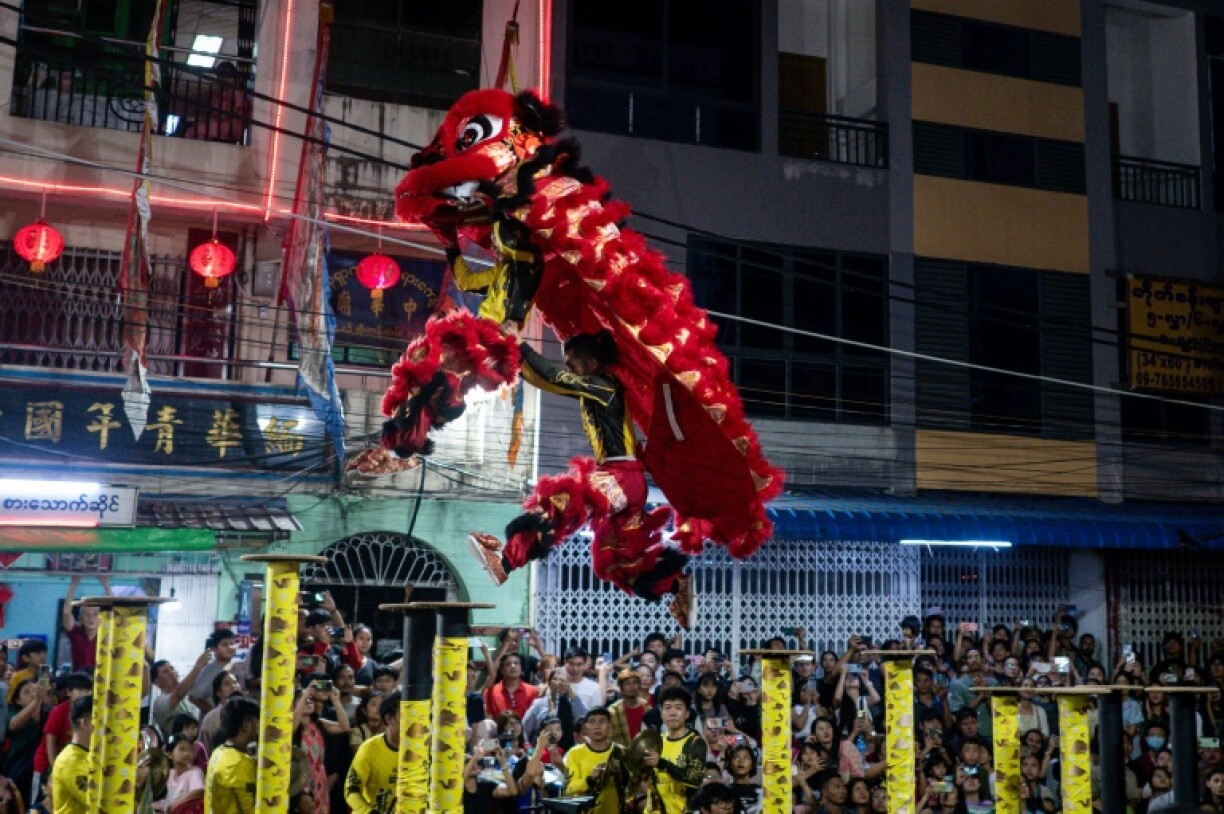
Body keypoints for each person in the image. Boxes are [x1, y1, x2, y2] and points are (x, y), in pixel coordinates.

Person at [469, 331, 693, 627]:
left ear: (592, 361)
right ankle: (676, 585)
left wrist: (517, 346)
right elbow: (550, 378)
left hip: (623, 479)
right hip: (625, 482)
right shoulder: (601, 385)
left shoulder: (604, 385)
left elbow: (554, 378)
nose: (569, 367)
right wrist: (516, 357)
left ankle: (507, 562)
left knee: (562, 503)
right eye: (568, 362)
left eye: (572, 362)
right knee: (614, 558)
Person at [642, 686, 706, 814]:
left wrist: (662, 763)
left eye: (678, 708)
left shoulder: (695, 742)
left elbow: (695, 779)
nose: (672, 713)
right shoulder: (656, 742)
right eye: (667, 707)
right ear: (661, 713)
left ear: (687, 713)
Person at [344, 693, 401, 814]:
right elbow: (351, 790)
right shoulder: (369, 749)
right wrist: (368, 812)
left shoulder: (424, 749)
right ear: (388, 719)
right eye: (406, 716)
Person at [33, 672, 92, 786]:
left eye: (88, 691)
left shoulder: (88, 712)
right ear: (69, 692)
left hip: (69, 763)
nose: (85, 694)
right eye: (80, 690)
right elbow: (50, 741)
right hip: (46, 763)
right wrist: (53, 768)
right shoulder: (59, 711)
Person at [204, 696, 259, 814]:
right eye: (257, 722)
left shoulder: (218, 752)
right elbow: (251, 810)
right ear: (246, 725)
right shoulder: (240, 762)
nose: (259, 727)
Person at [561, 706, 621, 814]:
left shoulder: (621, 752)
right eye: (592, 722)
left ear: (610, 727)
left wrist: (620, 774)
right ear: (586, 727)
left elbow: (633, 787)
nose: (597, 726)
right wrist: (591, 779)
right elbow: (569, 789)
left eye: (602, 721)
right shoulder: (574, 753)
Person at [151, 653, 211, 735]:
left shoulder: (189, 696)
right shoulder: (159, 702)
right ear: (156, 681)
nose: (172, 672)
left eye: (172, 668)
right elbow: (178, 693)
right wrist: (198, 667)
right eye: (165, 672)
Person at [48, 696, 90, 814]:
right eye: (101, 721)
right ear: (85, 723)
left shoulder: (89, 753)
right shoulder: (70, 761)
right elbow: (98, 802)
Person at [61, 576, 111, 670]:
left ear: (101, 619)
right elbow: (66, 613)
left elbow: (116, 609)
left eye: (95, 614)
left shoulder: (106, 635)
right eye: (87, 614)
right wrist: (73, 584)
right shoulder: (75, 633)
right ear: (80, 619)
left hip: (99, 681)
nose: (91, 618)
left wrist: (105, 584)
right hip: (78, 681)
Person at [188, 630, 238, 715]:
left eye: (232, 644)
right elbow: (193, 697)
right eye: (224, 645)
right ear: (215, 649)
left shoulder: (238, 668)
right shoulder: (208, 670)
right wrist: (215, 713)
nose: (230, 647)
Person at [158, 734, 205, 814]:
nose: (187, 753)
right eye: (182, 749)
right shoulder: (170, 773)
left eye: (190, 749)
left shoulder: (195, 772)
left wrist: (175, 805)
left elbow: (199, 791)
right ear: (170, 754)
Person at [607, 668, 649, 746]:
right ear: (621, 687)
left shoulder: (647, 707)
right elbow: (609, 740)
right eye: (627, 683)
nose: (631, 687)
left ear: (639, 686)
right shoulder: (613, 711)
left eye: (635, 683)